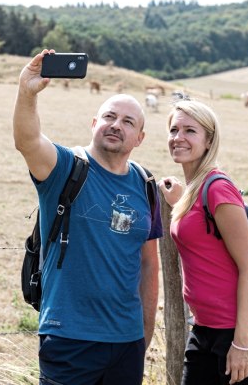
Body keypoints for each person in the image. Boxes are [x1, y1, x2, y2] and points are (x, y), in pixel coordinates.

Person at [13, 49, 162, 385]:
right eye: (109, 117)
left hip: (126, 343)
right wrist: (26, 92)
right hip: (69, 336)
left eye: (128, 122)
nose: (116, 126)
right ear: (94, 123)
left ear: (140, 138)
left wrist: (143, 334)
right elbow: (27, 141)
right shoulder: (65, 168)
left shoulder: (146, 185)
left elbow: (148, 264)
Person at [158, 100, 248, 385]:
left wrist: (241, 343)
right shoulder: (193, 191)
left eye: (190, 130)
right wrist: (179, 201)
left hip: (243, 332)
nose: (179, 137)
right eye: (174, 129)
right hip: (204, 330)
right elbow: (202, 234)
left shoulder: (218, 189)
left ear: (208, 140)